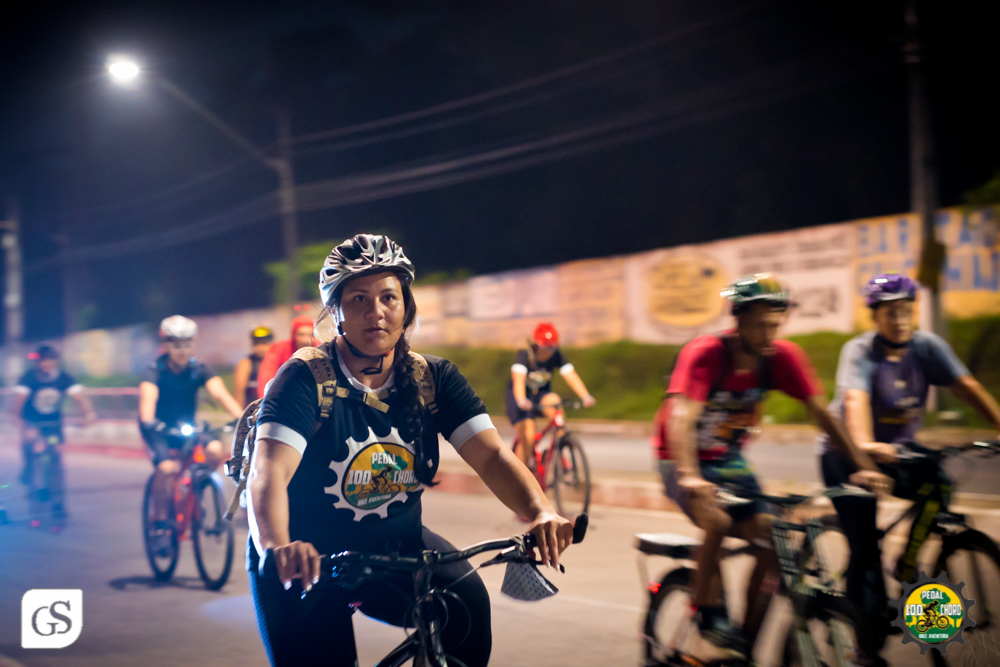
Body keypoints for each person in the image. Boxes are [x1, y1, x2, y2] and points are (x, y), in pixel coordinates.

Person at [247, 234, 575, 667]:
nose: (376, 311)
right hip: (307, 560)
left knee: (465, 606)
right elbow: (268, 472)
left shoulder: (431, 378)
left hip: (395, 548)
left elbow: (492, 456)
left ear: (407, 305)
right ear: (337, 312)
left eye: (389, 297)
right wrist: (277, 545)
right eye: (359, 298)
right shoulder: (305, 379)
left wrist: (540, 511)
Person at [652, 273, 890, 662]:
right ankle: (707, 613)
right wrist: (690, 477)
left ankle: (743, 642)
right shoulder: (706, 353)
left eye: (775, 325)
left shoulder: (782, 358)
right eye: (760, 324)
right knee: (718, 520)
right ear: (738, 320)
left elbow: (824, 416)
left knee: (771, 535)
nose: (768, 334)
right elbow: (683, 418)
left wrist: (861, 466)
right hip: (679, 457)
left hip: (728, 460)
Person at [821, 273, 1000, 653]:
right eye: (890, 312)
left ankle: (906, 562)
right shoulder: (861, 351)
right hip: (847, 456)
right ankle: (865, 646)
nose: (900, 319)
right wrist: (867, 444)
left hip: (897, 452)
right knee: (865, 545)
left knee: (939, 485)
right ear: (875, 316)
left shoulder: (927, 347)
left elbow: (967, 387)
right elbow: (855, 399)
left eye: (906, 311)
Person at [139, 316, 244, 537]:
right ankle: (159, 522)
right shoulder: (155, 369)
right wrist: (149, 420)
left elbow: (220, 394)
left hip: (186, 426)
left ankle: (196, 491)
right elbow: (148, 399)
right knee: (167, 469)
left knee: (214, 451)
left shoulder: (199, 368)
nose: (182, 350)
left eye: (186, 344)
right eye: (176, 344)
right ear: (166, 345)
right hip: (158, 428)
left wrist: (242, 417)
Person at [10, 345, 96, 530]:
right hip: (32, 424)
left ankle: (58, 509)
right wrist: (21, 425)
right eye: (43, 360)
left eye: (51, 360)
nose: (47, 364)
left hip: (54, 427)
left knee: (56, 467)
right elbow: (18, 404)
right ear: (38, 362)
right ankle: (34, 506)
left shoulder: (64, 378)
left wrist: (88, 414)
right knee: (32, 463)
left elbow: (80, 398)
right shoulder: (29, 378)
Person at [505, 322, 596, 469]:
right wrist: (521, 399)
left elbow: (571, 376)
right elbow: (519, 380)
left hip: (541, 395)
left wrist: (585, 396)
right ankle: (520, 474)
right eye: (545, 348)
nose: (549, 352)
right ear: (537, 344)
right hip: (520, 398)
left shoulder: (556, 355)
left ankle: (559, 453)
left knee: (556, 404)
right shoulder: (525, 354)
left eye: (552, 347)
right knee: (527, 436)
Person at [256, 315, 317, 399]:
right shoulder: (279, 349)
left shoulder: (321, 350)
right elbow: (266, 378)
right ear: (294, 335)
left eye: (310, 335)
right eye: (301, 334)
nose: (306, 340)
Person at [234, 326, 274, 407]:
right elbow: (239, 393)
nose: (260, 347)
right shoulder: (246, 364)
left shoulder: (277, 363)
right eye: (256, 343)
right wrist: (240, 416)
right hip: (252, 411)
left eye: (264, 343)